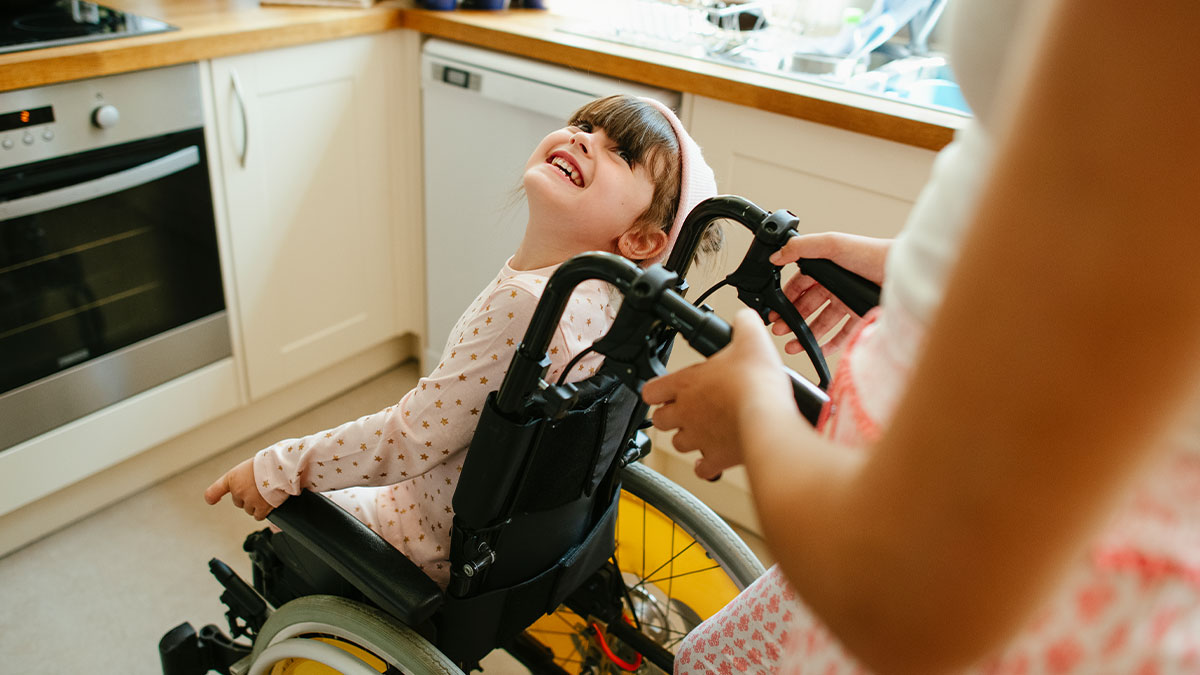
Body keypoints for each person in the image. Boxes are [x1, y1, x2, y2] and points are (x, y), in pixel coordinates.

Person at [644, 0, 1200, 672]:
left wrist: (754, 404)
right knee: (708, 658)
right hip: (909, 490)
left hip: (936, 568)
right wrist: (918, 269)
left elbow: (904, 593)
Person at [204, 94, 720, 586]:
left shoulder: (527, 306)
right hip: (532, 535)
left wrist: (278, 466)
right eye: (584, 126)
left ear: (640, 240)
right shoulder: (615, 304)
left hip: (430, 541)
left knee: (283, 515)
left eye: (621, 152)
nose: (583, 139)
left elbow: (407, 438)